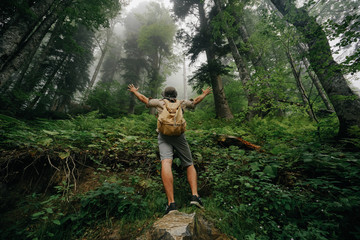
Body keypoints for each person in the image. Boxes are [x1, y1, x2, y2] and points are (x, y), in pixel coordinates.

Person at [127, 84, 212, 214]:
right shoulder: (181, 103)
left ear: (164, 95)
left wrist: (134, 91)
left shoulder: (159, 102)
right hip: (179, 136)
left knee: (166, 162)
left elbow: (144, 99)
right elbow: (195, 101)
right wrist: (205, 93)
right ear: (175, 95)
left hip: (164, 136)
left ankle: (171, 203)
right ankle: (195, 196)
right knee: (189, 164)